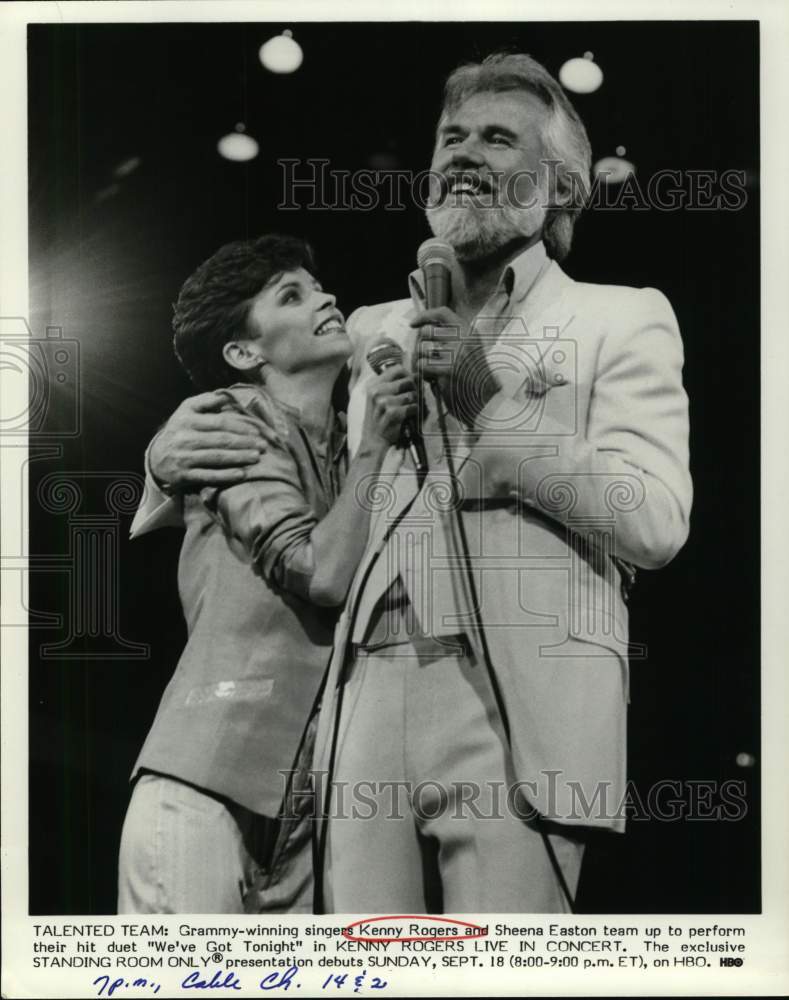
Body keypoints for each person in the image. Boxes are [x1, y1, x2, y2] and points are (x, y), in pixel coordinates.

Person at [136, 52, 692, 913]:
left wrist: (487, 400)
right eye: (451, 137)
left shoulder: (620, 316)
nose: (464, 153)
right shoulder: (366, 329)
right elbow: (267, 403)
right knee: (368, 966)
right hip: (358, 693)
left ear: (558, 185)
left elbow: (653, 521)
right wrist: (163, 452)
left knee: (504, 973)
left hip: (517, 702)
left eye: (498, 138)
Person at [119, 233, 416, 913]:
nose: (324, 297)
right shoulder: (229, 421)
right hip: (207, 780)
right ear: (244, 352)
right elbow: (322, 575)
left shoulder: (343, 451)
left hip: (306, 814)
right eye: (292, 295)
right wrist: (377, 447)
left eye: (316, 286)